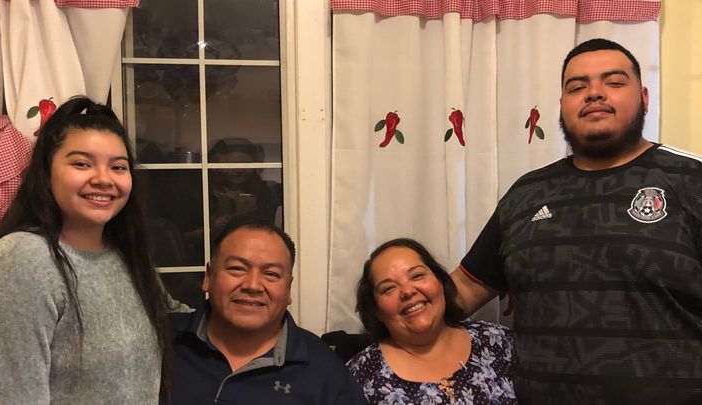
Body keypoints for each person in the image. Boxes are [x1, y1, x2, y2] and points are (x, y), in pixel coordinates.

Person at [452, 38, 702, 403]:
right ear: (561, 106)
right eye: (577, 87)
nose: (594, 93)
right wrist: (391, 314)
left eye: (614, 82)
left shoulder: (692, 180)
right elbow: (463, 289)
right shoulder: (526, 194)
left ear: (644, 98)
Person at [0, 96, 172, 403]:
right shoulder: (23, 258)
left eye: (118, 167)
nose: (103, 179)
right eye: (81, 164)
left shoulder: (126, 256)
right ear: (46, 174)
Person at [165, 215, 368, 404]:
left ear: (288, 289)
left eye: (271, 274)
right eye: (237, 268)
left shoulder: (324, 369)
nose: (253, 285)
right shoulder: (163, 340)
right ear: (208, 277)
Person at [347, 238, 516, 404]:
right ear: (376, 310)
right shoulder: (359, 376)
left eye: (417, 276)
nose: (407, 291)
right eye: (388, 288)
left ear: (440, 282)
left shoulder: (497, 341)